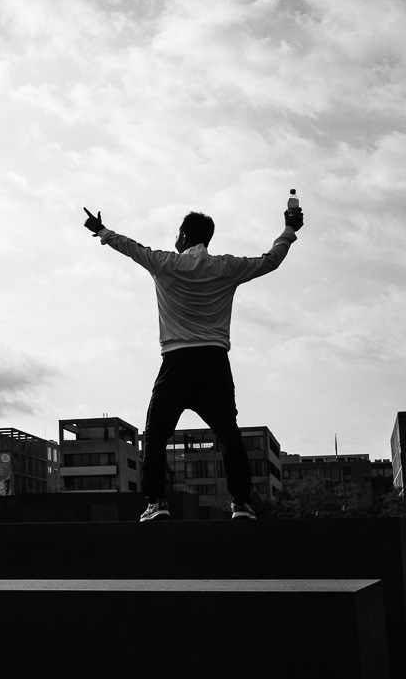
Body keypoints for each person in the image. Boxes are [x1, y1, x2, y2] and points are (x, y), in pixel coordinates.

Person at [84, 204, 304, 520]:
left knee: (156, 434)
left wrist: (102, 232)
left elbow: (130, 247)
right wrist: (289, 231)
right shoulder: (227, 267)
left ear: (184, 235)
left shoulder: (165, 263)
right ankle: (241, 504)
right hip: (215, 363)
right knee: (229, 436)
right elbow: (271, 261)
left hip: (176, 364)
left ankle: (156, 502)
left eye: (178, 233)